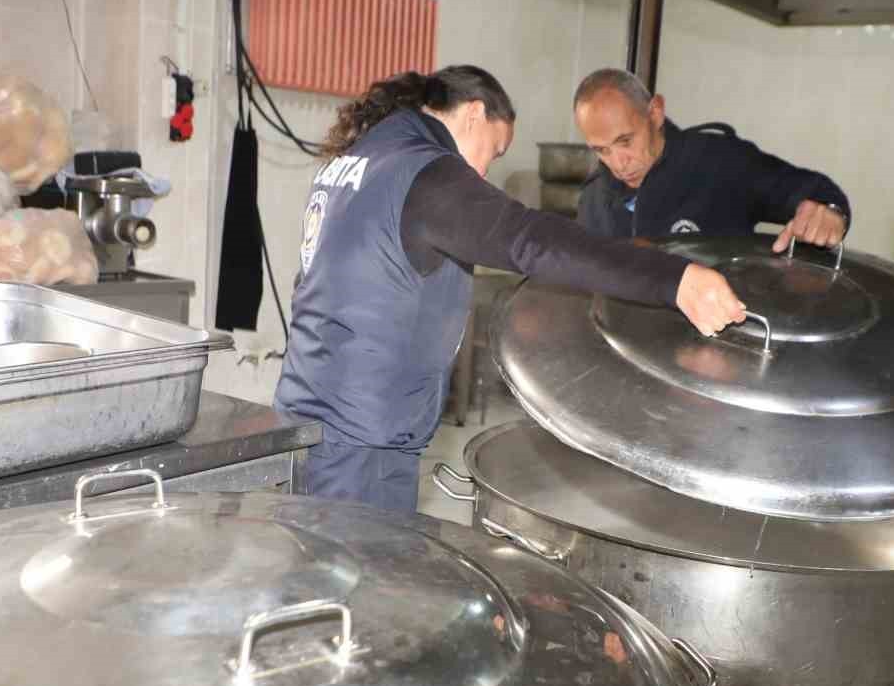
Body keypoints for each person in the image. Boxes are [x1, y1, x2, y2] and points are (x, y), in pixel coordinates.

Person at [274, 65, 747, 513]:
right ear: (475, 112)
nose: (481, 174)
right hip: (362, 438)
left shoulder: (358, 161)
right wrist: (673, 279)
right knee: (359, 584)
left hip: (309, 415)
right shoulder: (426, 173)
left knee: (317, 575)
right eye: (495, 151)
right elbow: (531, 240)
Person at [573, 68, 851, 250]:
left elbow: (807, 190)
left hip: (718, 336)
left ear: (655, 113)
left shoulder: (719, 162)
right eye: (602, 150)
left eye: (625, 141)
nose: (619, 163)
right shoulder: (594, 198)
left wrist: (828, 211)